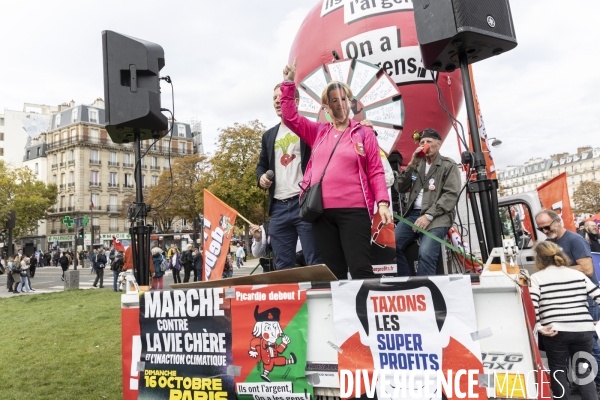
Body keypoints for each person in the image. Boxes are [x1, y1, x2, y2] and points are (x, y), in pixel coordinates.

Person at [280, 59, 392, 280]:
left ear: (350, 103)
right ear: (325, 106)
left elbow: (376, 171)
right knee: (333, 273)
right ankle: (341, 315)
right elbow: (289, 117)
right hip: (321, 213)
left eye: (343, 99)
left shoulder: (364, 133)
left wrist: (383, 203)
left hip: (355, 211)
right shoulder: (318, 132)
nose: (339, 104)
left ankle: (365, 312)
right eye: (333, 101)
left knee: (360, 268)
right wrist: (287, 83)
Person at [256, 81, 322, 271]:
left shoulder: (307, 128)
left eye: (281, 97)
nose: (277, 101)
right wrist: (261, 178)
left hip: (304, 205)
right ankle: (287, 301)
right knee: (282, 266)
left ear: (296, 102)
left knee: (314, 261)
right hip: (277, 208)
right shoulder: (268, 136)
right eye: (274, 98)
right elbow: (261, 165)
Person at [535, 209, 600, 393]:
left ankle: (597, 384)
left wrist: (559, 272)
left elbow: (587, 269)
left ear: (557, 221)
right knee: (576, 353)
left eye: (547, 227)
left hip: (585, 298)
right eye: (541, 229)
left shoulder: (574, 240)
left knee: (591, 349)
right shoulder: (549, 243)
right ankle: (583, 386)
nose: (545, 232)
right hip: (575, 303)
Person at [393, 128, 461, 277]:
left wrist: (428, 215)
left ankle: (425, 288)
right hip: (414, 215)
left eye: (429, 141)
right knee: (392, 245)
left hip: (438, 216)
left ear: (438, 143)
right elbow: (399, 187)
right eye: (422, 142)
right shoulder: (417, 165)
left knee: (425, 253)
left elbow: (450, 195)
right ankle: (408, 284)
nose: (425, 144)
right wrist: (411, 164)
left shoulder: (448, 165)